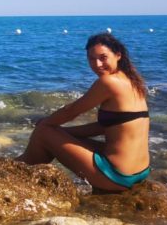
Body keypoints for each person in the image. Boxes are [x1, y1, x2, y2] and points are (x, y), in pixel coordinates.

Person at [17, 33, 150, 191]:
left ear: (118, 55)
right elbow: (104, 127)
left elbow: (71, 111)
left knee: (44, 132)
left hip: (117, 176)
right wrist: (62, 132)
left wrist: (46, 125)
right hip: (140, 172)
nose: (97, 64)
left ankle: (16, 171)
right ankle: (22, 166)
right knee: (52, 132)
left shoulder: (108, 82)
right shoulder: (133, 82)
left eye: (103, 57)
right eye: (91, 59)